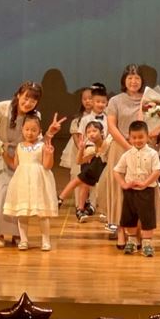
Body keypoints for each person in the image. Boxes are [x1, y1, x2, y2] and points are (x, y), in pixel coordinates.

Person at [0, 81, 63, 246]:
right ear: (19, 95)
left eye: (33, 100)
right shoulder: (0, 108)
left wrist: (50, 133)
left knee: (16, 192)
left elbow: (37, 143)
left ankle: (17, 233)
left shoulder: (35, 116)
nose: (28, 103)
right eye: (26, 98)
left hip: (17, 155)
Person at [97, 64, 145, 247]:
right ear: (124, 80)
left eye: (137, 78)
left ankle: (138, 233)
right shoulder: (115, 101)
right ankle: (120, 233)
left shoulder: (148, 99)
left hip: (142, 148)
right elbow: (112, 126)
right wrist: (128, 147)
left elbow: (153, 124)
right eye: (130, 77)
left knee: (140, 191)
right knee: (119, 191)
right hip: (120, 149)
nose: (134, 81)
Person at [2, 113, 59, 251]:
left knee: (42, 213)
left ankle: (46, 241)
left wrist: (50, 154)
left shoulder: (42, 146)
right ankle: (24, 240)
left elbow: (47, 166)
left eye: (34, 130)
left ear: (39, 131)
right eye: (27, 129)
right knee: (22, 212)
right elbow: (15, 165)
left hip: (38, 182)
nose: (30, 133)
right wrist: (4, 153)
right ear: (22, 129)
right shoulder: (19, 146)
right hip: (22, 182)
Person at [58, 84, 109, 221]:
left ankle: (100, 208)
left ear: (107, 103)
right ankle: (80, 209)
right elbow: (81, 137)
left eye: (103, 102)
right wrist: (85, 151)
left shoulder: (108, 118)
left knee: (100, 182)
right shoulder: (85, 119)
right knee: (84, 182)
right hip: (89, 153)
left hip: (103, 153)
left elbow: (108, 135)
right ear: (92, 102)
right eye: (97, 101)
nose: (100, 104)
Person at [113, 120, 160, 257]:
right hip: (130, 191)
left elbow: (157, 171)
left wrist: (146, 183)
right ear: (129, 138)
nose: (137, 140)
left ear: (147, 136)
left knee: (147, 218)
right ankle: (132, 241)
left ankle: (147, 243)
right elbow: (116, 171)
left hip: (146, 191)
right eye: (134, 137)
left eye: (141, 137)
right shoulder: (127, 154)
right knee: (129, 217)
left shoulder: (152, 153)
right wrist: (124, 184)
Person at [59, 85, 93, 208]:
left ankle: (93, 204)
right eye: (85, 99)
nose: (87, 101)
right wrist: (83, 151)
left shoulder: (102, 116)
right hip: (80, 151)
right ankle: (80, 204)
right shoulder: (77, 119)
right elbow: (75, 137)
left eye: (90, 98)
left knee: (94, 177)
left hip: (95, 151)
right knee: (78, 174)